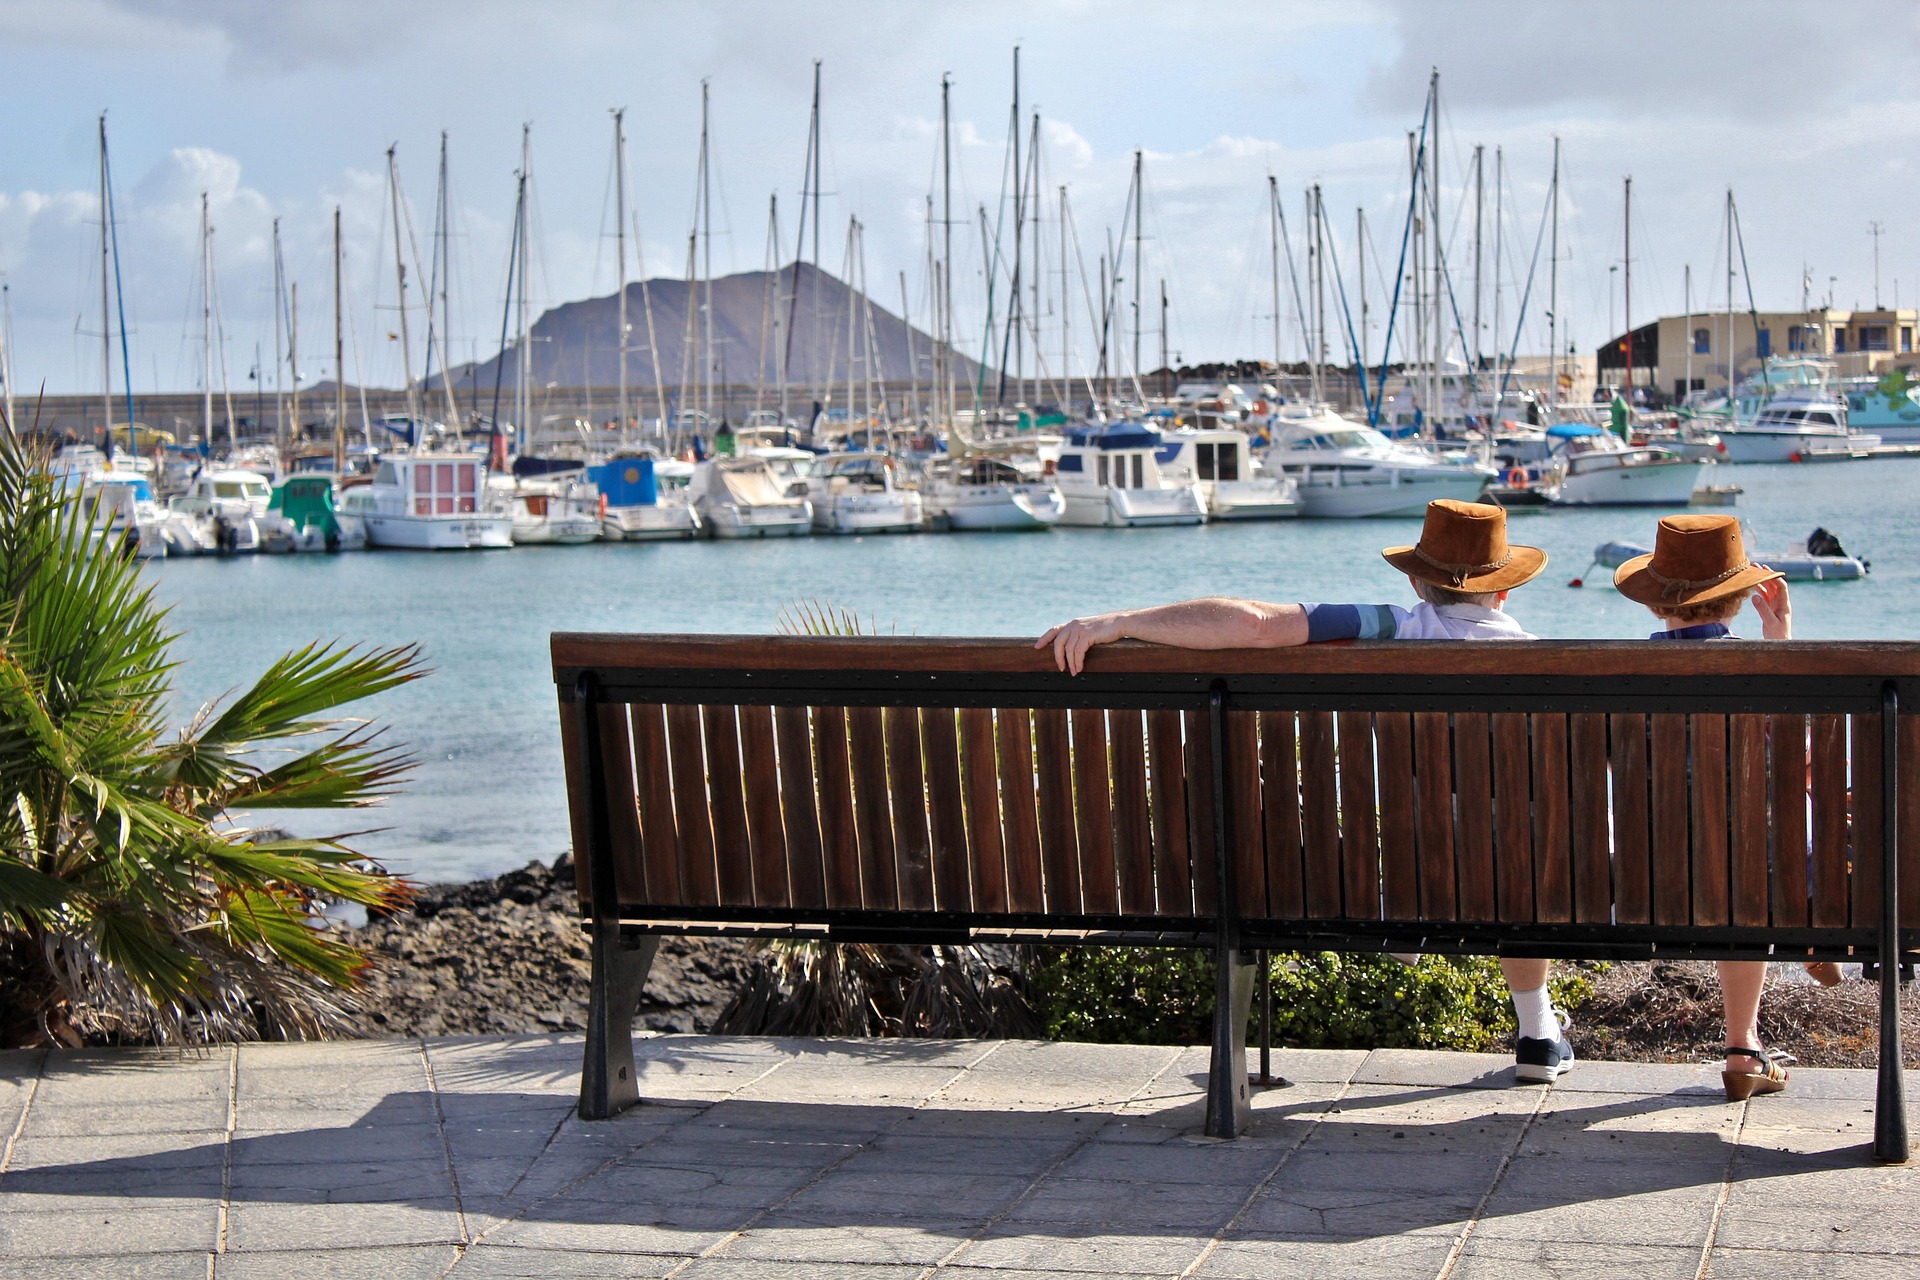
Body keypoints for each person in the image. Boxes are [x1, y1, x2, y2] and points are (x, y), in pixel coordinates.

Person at [1037, 498, 1579, 1084]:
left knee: (1439, 823)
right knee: (1515, 839)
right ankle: (1538, 1033)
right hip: (1519, 877)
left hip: (1408, 863)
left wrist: (1118, 622)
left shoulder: (1393, 627)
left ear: (1419, 585)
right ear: (1503, 593)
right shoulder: (1543, 658)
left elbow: (1254, 624)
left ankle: (1411, 908)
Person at [1614, 513, 1837, 1101]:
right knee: (1770, 844)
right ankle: (1749, 1034)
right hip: (1760, 878)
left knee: (1730, 848)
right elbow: (1805, 761)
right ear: (1741, 598)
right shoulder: (1761, 673)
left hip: (1649, 872)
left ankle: (1798, 939)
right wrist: (1780, 645)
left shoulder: (1618, 677)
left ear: (1654, 601)